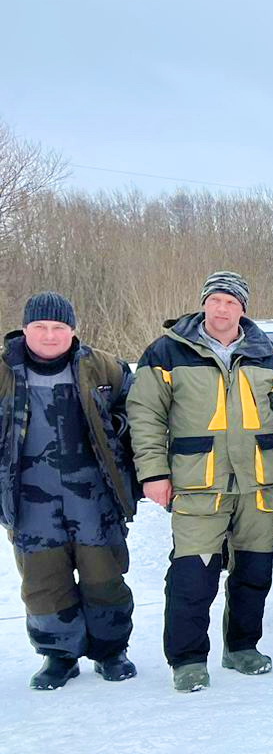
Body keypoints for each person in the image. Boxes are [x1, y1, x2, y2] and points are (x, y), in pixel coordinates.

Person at [128, 271, 273, 692]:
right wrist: (154, 473)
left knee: (253, 572)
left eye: (231, 301)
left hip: (259, 483)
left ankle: (242, 647)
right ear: (204, 303)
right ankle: (188, 660)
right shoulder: (168, 352)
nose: (223, 308)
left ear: (243, 308)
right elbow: (145, 415)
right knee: (193, 575)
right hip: (198, 484)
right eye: (216, 300)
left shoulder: (268, 355)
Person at [2, 293, 139, 690]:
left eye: (58, 327)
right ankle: (58, 656)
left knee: (105, 577)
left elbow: (138, 412)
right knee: (44, 582)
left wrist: (120, 433)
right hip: (29, 499)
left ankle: (111, 651)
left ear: (73, 331)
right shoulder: (4, 371)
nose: (49, 335)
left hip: (95, 497)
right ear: (24, 329)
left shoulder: (104, 368)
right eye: (40, 327)